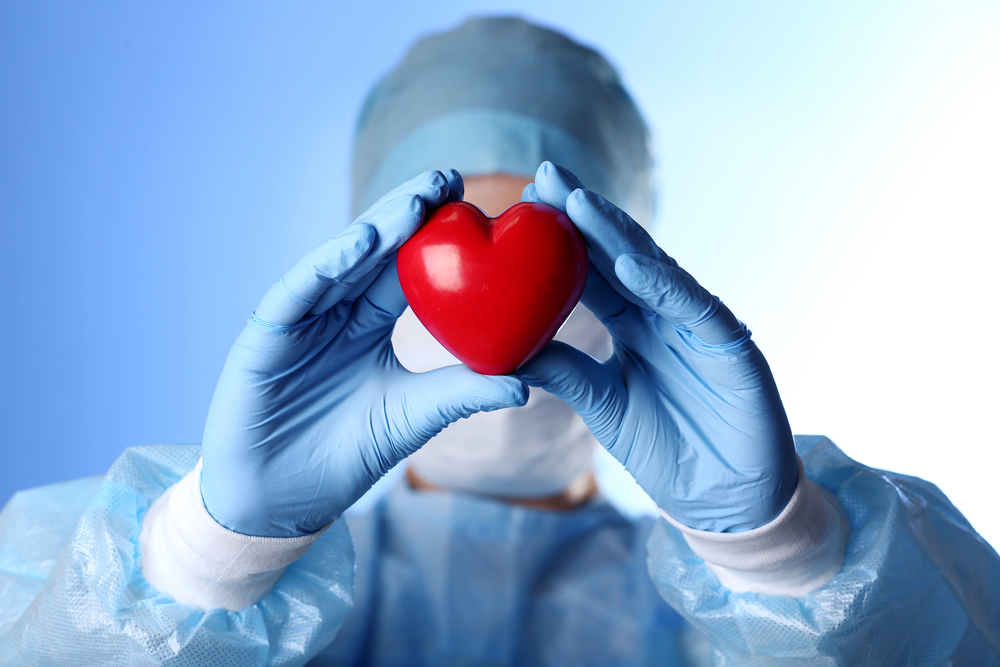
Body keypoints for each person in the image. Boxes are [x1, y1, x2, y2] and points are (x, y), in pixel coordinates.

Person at [1, 16, 998, 667]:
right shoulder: (126, 567)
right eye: (443, 255)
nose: (507, 325)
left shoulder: (724, 626)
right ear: (374, 284)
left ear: (623, 280)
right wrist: (206, 558)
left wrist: (785, 551)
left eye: (551, 255)